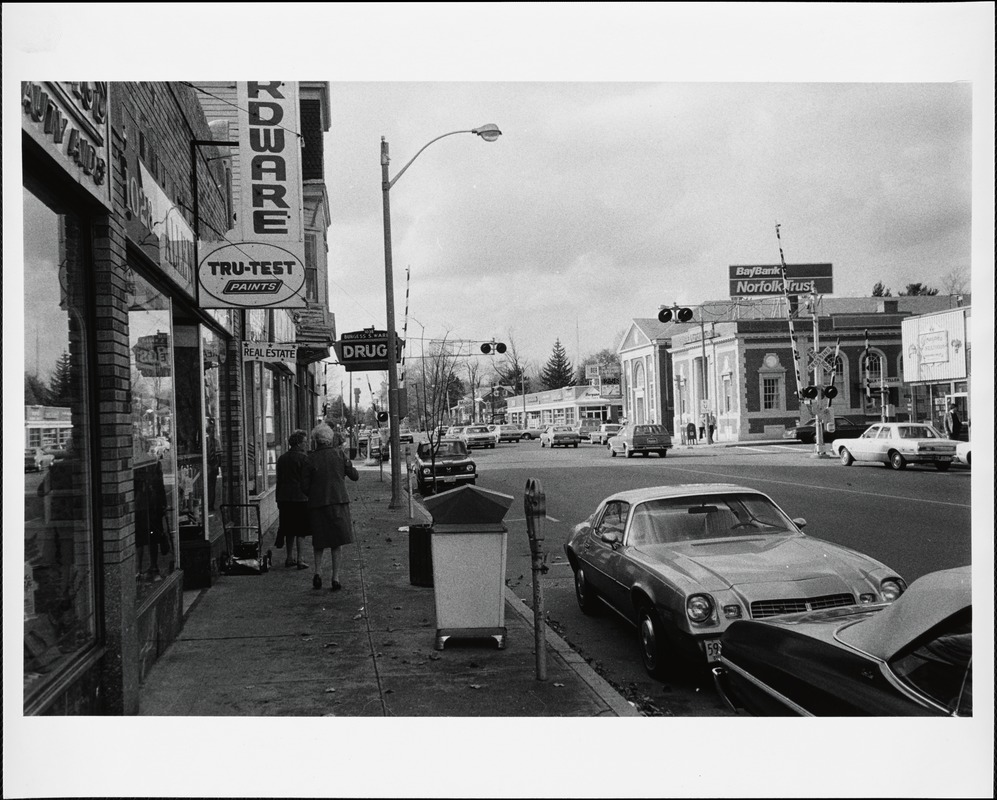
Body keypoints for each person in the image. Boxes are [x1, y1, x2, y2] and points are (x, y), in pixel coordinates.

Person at [305, 426, 359, 591]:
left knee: (319, 541)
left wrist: (314, 493)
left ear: (315, 440)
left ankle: (318, 572)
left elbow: (304, 485)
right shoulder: (339, 455)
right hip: (338, 502)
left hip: (318, 504)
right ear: (330, 439)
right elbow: (354, 476)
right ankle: (335, 578)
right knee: (337, 542)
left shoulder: (310, 459)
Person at [275, 429, 310, 569]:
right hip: (300, 498)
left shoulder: (282, 458)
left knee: (288, 528)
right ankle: (300, 559)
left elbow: (279, 480)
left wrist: (278, 499)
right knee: (301, 530)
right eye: (304, 442)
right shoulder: (304, 459)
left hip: (284, 498)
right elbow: (307, 479)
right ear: (298, 443)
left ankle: (289, 557)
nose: (306, 445)